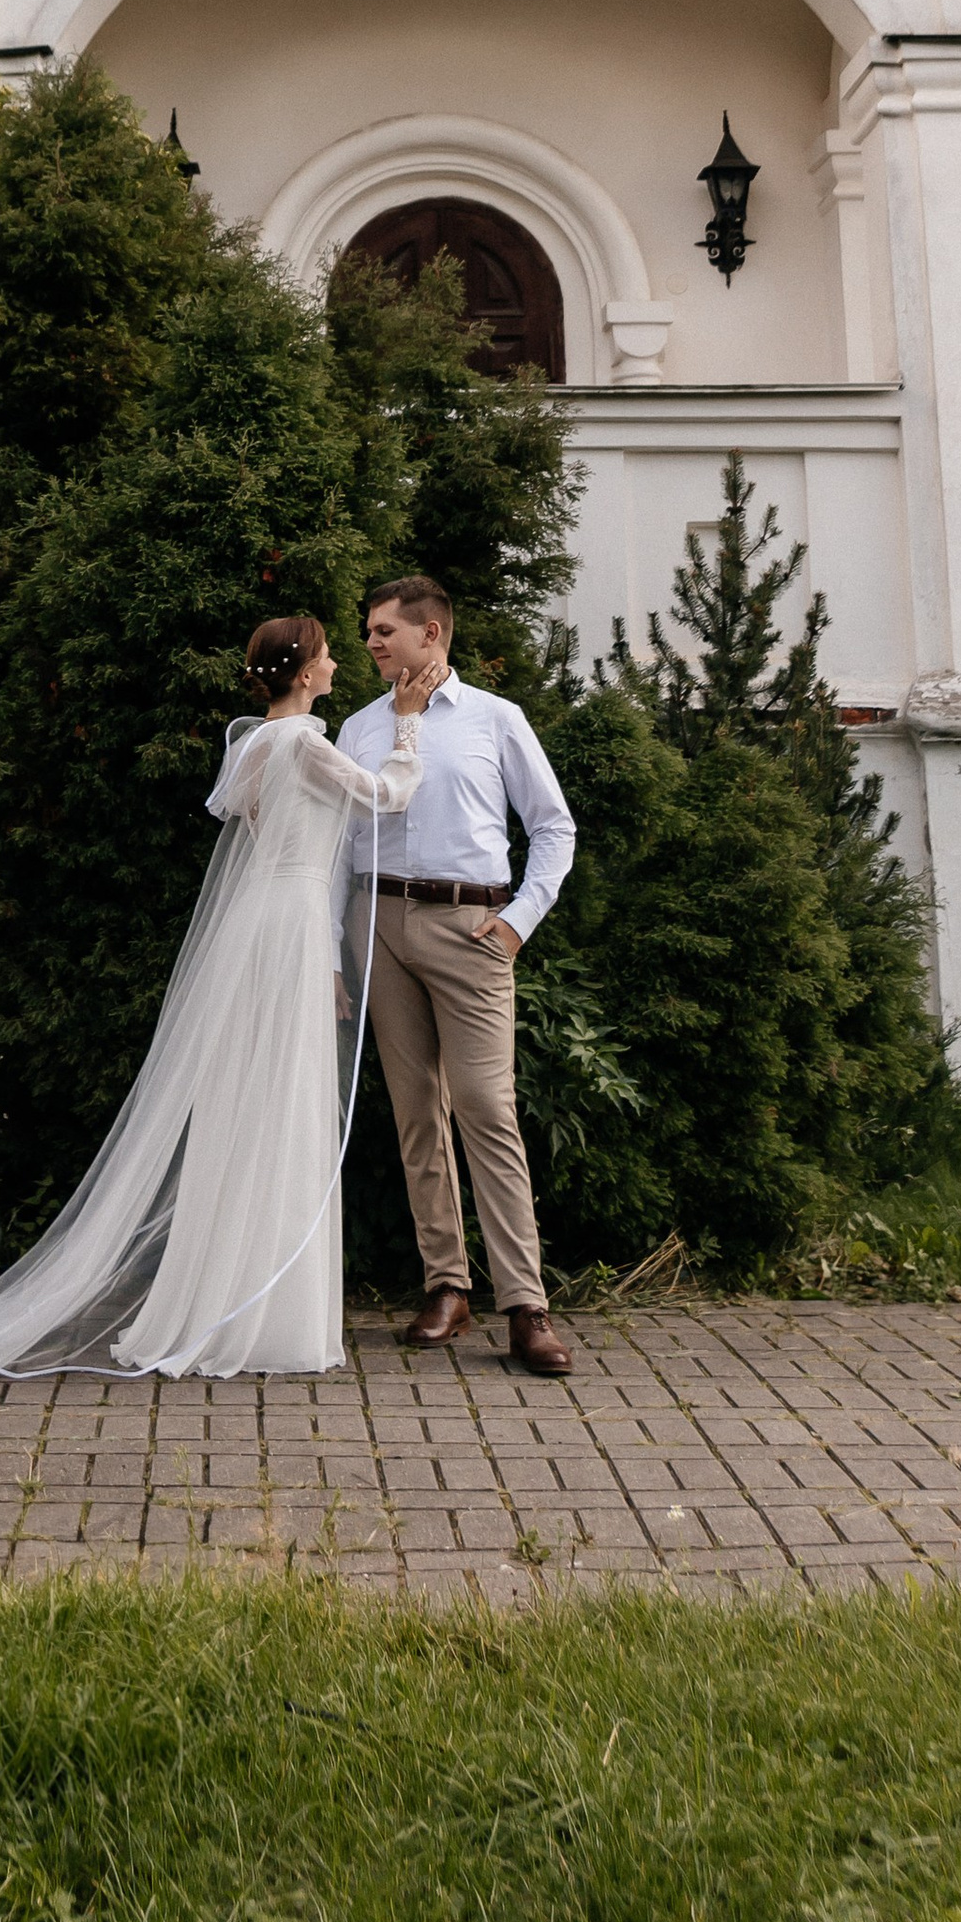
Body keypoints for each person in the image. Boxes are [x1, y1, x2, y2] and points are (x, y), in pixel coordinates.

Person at [0, 617, 429, 1394]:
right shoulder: (301, 742)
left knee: (248, 1102)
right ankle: (262, 1315)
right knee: (281, 1098)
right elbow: (388, 796)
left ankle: (234, 1298)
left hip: (259, 921)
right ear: (304, 673)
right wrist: (407, 725)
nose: (337, 663)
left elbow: (262, 822)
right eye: (329, 654)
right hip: (291, 924)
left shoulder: (252, 747)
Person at [335, 574, 579, 1377]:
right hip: (379, 923)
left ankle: (526, 1306)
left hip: (471, 927)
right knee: (416, 1114)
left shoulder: (495, 719)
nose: (371, 642)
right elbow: (340, 843)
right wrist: (338, 947)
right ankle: (447, 1285)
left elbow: (553, 828)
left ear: (430, 632)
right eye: (369, 631)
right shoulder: (359, 727)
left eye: (384, 630)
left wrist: (518, 922)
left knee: (486, 1107)